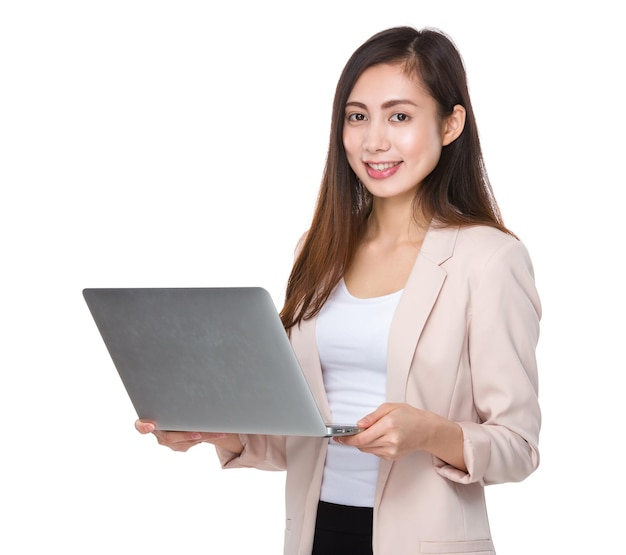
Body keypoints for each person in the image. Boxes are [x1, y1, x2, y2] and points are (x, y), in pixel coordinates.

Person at [136, 25, 541, 555]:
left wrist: (428, 433)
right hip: (316, 533)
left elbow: (518, 446)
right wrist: (211, 428)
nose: (374, 141)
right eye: (357, 117)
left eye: (399, 116)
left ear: (450, 124)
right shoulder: (320, 248)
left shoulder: (489, 260)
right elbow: (298, 436)